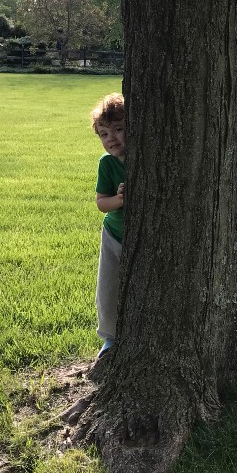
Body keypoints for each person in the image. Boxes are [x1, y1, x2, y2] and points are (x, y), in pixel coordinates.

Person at [91, 93, 126, 358]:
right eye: (104, 134)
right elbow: (102, 203)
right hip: (115, 234)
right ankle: (110, 337)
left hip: (146, 238)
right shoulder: (108, 164)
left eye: (118, 129)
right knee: (109, 287)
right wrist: (119, 199)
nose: (110, 138)